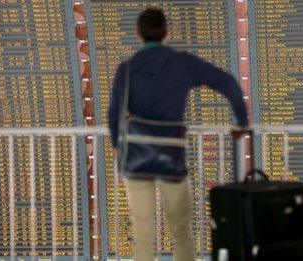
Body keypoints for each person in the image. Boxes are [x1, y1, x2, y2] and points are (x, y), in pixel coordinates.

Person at [108, 7, 248, 261]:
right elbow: (227, 82)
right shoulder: (183, 63)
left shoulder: (127, 69)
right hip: (172, 157)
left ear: (139, 34)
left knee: (143, 233)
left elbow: (114, 111)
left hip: (136, 160)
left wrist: (118, 145)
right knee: (181, 230)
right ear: (166, 33)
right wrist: (241, 122)